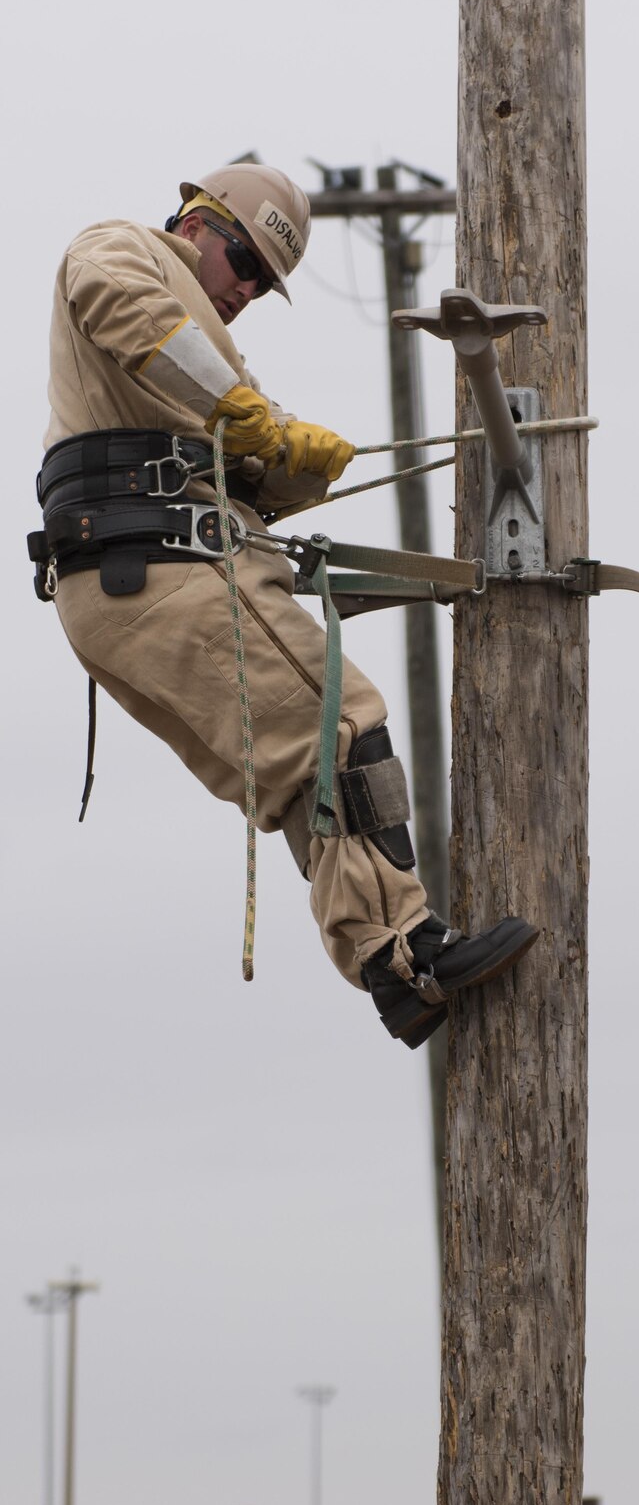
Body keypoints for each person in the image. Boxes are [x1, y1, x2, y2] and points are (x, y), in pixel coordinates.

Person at [35, 162, 536, 1048]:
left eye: (267, 282)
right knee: (342, 721)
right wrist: (245, 413)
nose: (250, 290)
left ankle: (395, 971)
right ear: (197, 223)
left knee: (308, 772)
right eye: (246, 263)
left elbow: (233, 448)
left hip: (139, 580)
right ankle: (408, 948)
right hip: (164, 574)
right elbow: (121, 302)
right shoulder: (123, 250)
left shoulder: (205, 351)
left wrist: (292, 461)